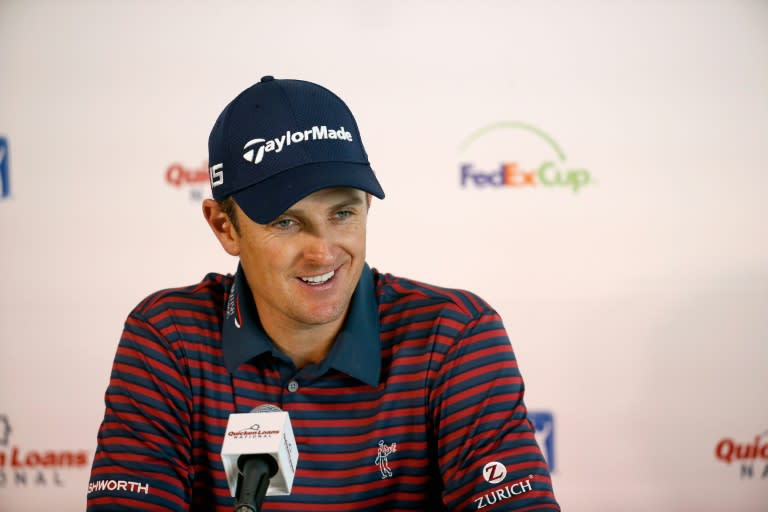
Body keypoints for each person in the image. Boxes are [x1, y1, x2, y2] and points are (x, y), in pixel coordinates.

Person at [86, 76, 560, 511]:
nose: (323, 252)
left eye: (343, 214)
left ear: (368, 207)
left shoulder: (454, 336)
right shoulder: (168, 338)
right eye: (286, 222)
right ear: (224, 227)